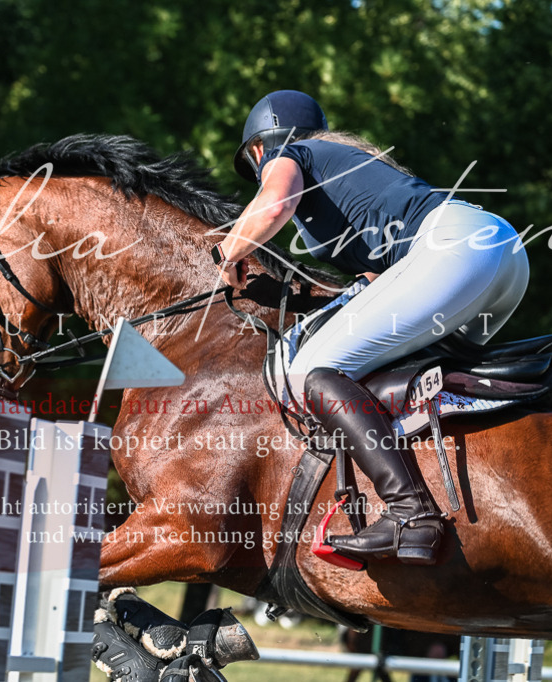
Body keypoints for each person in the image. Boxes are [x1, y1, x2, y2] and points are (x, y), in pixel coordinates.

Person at [216, 90, 529, 565]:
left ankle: (411, 514)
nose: (259, 168)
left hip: (456, 251)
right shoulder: (346, 171)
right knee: (405, 379)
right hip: (502, 258)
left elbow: (274, 203)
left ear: (263, 146)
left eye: (254, 159)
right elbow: (378, 284)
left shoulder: (290, 154)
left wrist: (229, 250)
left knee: (310, 371)